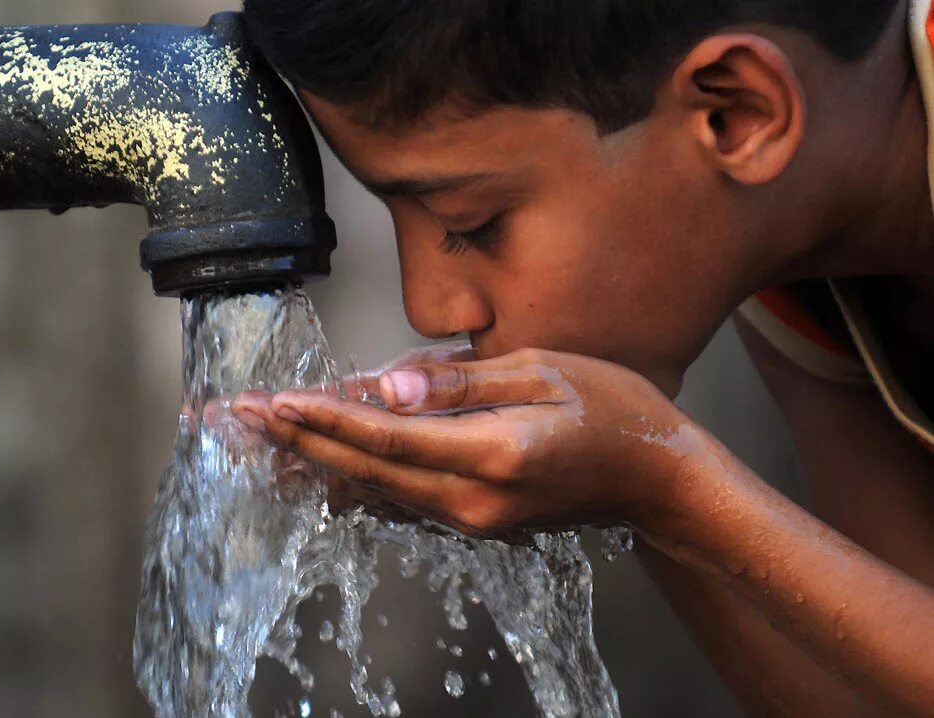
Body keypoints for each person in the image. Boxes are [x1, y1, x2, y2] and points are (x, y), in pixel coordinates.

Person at [232, 1, 934, 714]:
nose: (433, 309)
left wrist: (673, 490)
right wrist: (617, 488)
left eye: (472, 223)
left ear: (738, 114)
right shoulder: (788, 248)